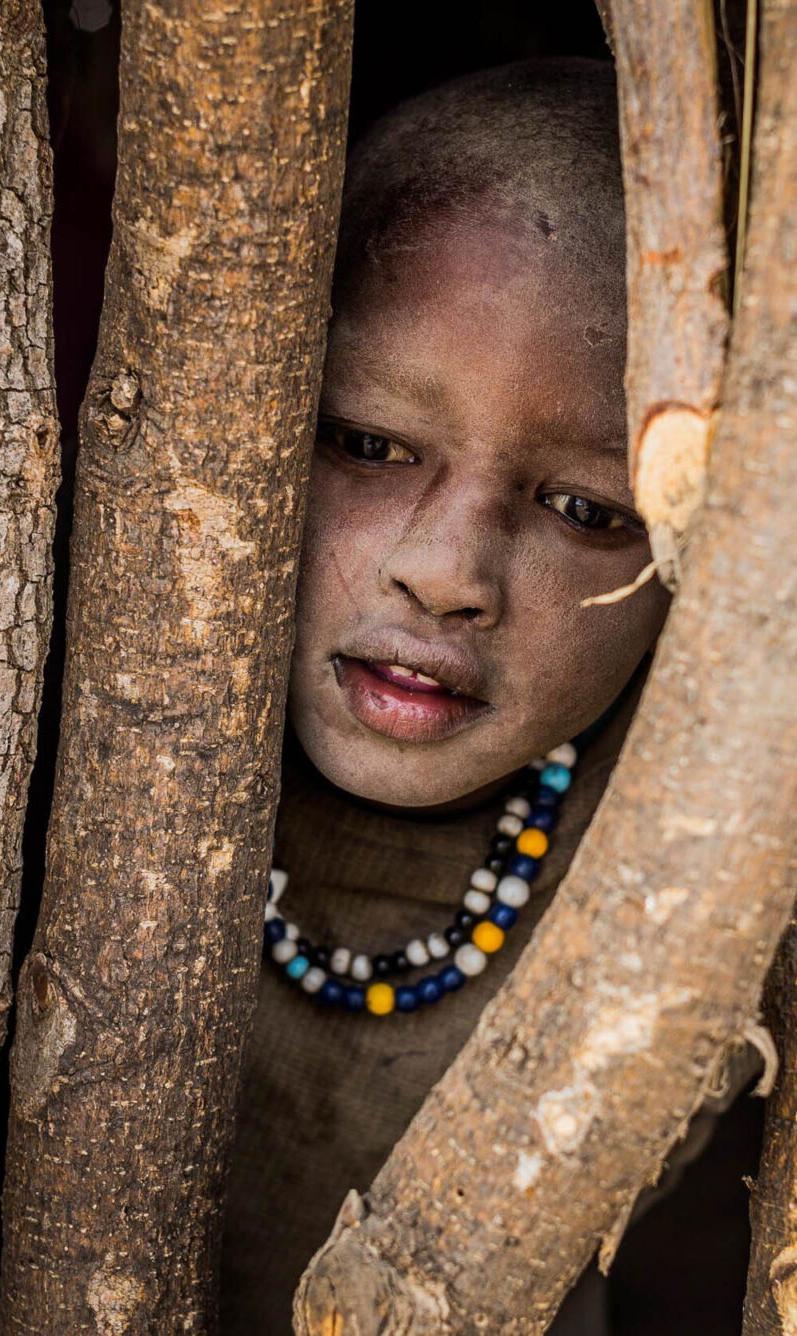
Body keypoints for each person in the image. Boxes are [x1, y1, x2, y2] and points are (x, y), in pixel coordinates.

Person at [218, 58, 685, 1333]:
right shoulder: (31, 783)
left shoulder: (690, 900)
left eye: (588, 509)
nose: (446, 574)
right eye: (369, 442)